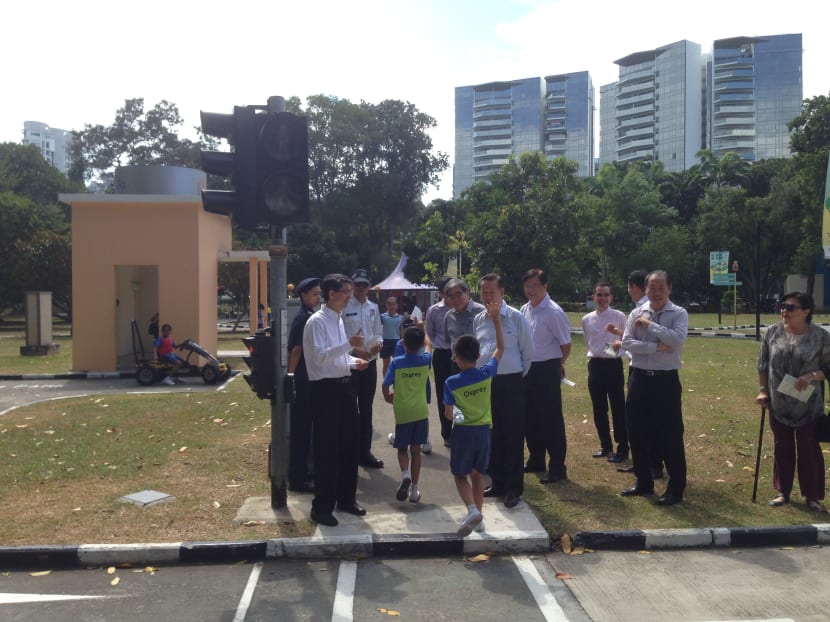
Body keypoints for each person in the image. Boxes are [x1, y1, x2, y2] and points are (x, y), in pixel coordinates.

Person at [303, 273, 369, 527]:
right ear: (332, 294)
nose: (349, 298)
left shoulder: (338, 320)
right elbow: (319, 359)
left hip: (343, 387)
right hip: (325, 391)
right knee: (327, 449)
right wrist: (349, 346)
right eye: (346, 293)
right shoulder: (316, 322)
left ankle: (346, 498)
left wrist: (354, 361)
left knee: (349, 445)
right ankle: (322, 506)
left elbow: (337, 358)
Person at [756, 291, 830, 513]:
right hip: (778, 402)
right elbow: (763, 364)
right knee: (782, 446)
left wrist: (811, 376)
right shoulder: (772, 332)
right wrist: (762, 391)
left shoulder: (820, 336)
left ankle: (813, 496)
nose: (784, 311)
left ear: (806, 311)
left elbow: (828, 367)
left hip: (809, 404)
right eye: (783, 306)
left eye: (790, 307)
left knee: (809, 449)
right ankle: (783, 492)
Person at [620, 270, 688, 506]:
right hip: (639, 378)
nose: (656, 292)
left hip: (665, 381)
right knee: (636, 432)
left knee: (669, 434)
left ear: (670, 288)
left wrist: (650, 326)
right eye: (652, 288)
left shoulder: (678, 313)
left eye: (661, 288)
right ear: (646, 289)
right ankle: (643, 482)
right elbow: (627, 343)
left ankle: (675, 489)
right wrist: (656, 347)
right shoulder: (636, 312)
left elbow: (677, 340)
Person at [444, 300, 504, 537]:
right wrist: (497, 321)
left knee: (460, 475)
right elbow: (500, 348)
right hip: (484, 431)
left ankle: (470, 509)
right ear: (479, 355)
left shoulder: (451, 382)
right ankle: (479, 518)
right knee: (478, 474)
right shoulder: (486, 373)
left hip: (463, 432)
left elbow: (449, 414)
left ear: (456, 357)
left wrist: (460, 414)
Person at [474, 273, 534, 508]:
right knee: (492, 433)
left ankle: (512, 487)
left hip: (511, 382)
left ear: (502, 293)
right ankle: (497, 481)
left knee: (512, 435)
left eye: (492, 292)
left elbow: (528, 354)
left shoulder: (516, 318)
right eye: (484, 292)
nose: (488, 297)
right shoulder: (479, 319)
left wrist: (515, 376)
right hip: (486, 384)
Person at [520, 268, 571, 483]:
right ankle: (536, 459)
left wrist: (557, 365)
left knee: (550, 419)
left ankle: (557, 467)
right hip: (528, 369)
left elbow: (566, 345)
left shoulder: (553, 312)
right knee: (530, 417)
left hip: (547, 368)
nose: (531, 290)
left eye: (535, 285)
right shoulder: (525, 309)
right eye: (527, 286)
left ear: (545, 286)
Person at [382, 326, 432, 504]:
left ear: (403, 343)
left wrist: (389, 398)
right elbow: (428, 345)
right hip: (420, 410)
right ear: (420, 344)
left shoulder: (396, 362)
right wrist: (425, 332)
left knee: (402, 448)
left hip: (402, 410)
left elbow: (385, 384)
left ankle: (404, 475)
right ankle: (415, 490)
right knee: (416, 450)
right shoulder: (426, 360)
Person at [581, 282, 628, 463]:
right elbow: (589, 342)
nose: (602, 299)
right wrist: (598, 353)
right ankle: (605, 446)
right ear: (593, 297)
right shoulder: (586, 319)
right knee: (599, 408)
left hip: (613, 365)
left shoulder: (619, 316)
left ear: (611, 297)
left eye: (606, 295)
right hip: (595, 366)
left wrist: (614, 349)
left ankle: (623, 448)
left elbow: (626, 339)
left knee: (618, 408)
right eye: (599, 295)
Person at [342, 268, 384, 469]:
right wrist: (355, 351)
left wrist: (378, 345)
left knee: (366, 408)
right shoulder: (343, 306)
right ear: (352, 284)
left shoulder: (373, 307)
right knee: (349, 409)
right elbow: (339, 336)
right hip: (350, 363)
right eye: (357, 284)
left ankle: (364, 452)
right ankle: (348, 452)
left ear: (369, 286)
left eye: (364, 285)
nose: (360, 289)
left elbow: (378, 332)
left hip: (370, 362)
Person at [286, 277, 321, 494]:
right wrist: (290, 376)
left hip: (307, 379)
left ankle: (303, 473)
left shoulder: (309, 316)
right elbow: (296, 350)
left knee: (306, 431)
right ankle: (297, 479)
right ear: (303, 295)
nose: (318, 297)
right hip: (301, 380)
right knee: (300, 432)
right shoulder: (303, 319)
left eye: (319, 293)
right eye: (315, 294)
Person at [425, 276, 454, 447]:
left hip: (461, 354)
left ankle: (461, 429)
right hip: (442, 355)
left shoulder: (465, 308)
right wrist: (427, 355)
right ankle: (447, 432)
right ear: (442, 293)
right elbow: (428, 334)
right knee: (444, 394)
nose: (452, 296)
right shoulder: (434, 310)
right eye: (448, 293)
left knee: (462, 393)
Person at [443, 278, 485, 372]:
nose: (456, 299)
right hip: (456, 367)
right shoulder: (449, 316)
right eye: (451, 296)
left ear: (467, 292)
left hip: (478, 366)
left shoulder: (482, 312)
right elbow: (449, 340)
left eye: (458, 294)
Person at [380, 296, 404, 377]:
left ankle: (396, 383)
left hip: (396, 342)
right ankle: (385, 383)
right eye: (389, 304)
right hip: (385, 342)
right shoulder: (382, 316)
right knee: (386, 364)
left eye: (393, 304)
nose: (391, 306)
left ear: (396, 305)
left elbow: (401, 330)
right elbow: (378, 330)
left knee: (397, 363)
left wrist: (403, 341)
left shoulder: (400, 318)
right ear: (386, 305)